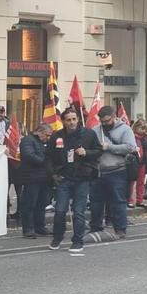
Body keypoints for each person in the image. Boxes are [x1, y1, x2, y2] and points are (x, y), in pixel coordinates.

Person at [46, 108, 102, 254]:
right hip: (64, 178)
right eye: (68, 120)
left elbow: (98, 151)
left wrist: (86, 152)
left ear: (78, 119)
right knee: (59, 211)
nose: (71, 122)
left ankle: (77, 240)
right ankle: (57, 237)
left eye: (74, 119)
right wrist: (53, 174)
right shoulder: (57, 136)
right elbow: (49, 157)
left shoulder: (88, 134)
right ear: (63, 121)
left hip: (82, 178)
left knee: (78, 212)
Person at [89, 106, 136, 239]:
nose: (104, 124)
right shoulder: (96, 130)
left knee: (117, 201)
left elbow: (130, 147)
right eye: (102, 121)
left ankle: (120, 228)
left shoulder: (125, 129)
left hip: (117, 170)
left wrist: (109, 147)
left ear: (114, 117)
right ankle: (96, 227)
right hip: (99, 171)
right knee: (96, 201)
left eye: (107, 121)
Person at [16, 123, 53, 238]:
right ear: (40, 132)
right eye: (47, 135)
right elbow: (28, 155)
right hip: (31, 178)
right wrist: (45, 162)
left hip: (44, 177)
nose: (48, 138)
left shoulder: (44, 143)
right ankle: (28, 229)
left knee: (41, 204)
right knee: (30, 204)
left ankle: (40, 226)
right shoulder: (28, 140)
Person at [129, 119, 147, 208]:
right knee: (132, 182)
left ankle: (140, 199)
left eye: (145, 129)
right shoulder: (132, 137)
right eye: (142, 128)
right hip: (134, 162)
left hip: (142, 162)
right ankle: (131, 200)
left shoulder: (144, 139)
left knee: (141, 182)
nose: (144, 131)